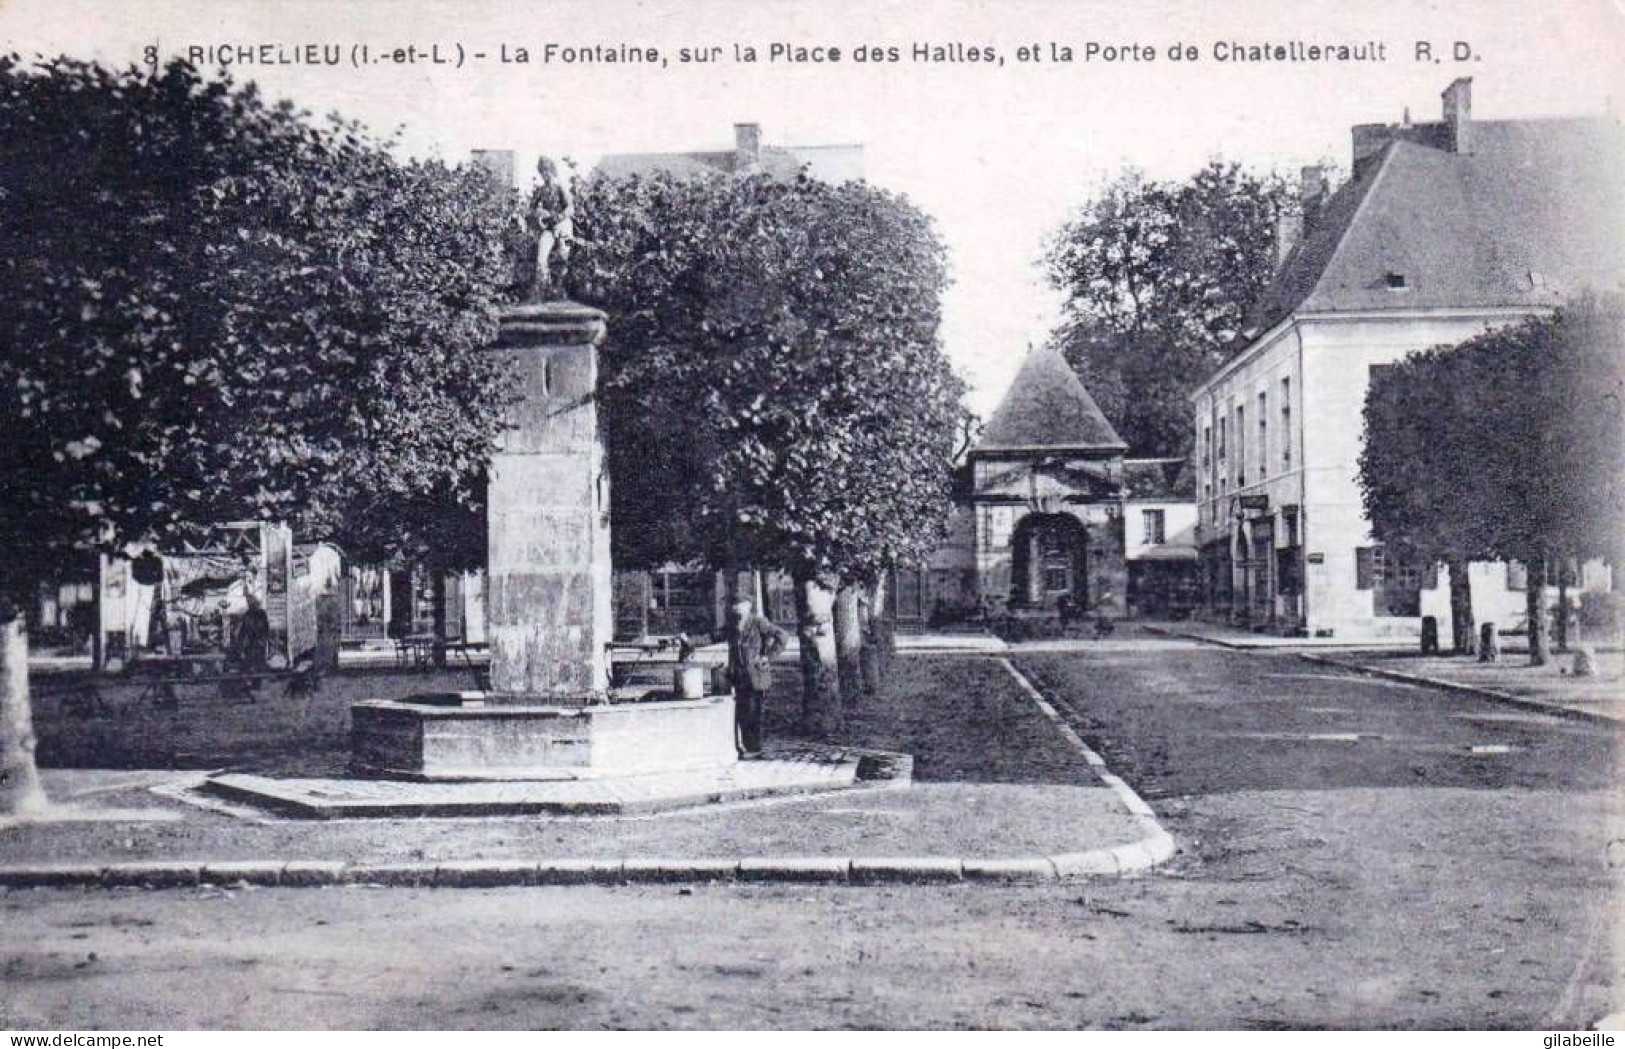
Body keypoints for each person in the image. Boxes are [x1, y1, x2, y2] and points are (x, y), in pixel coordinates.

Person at [725, 597, 788, 759]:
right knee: (742, 712)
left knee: (754, 712)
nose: (737, 608)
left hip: (755, 676)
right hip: (739, 677)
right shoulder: (732, 626)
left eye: (740, 605)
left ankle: (755, 748)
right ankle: (748, 746)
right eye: (734, 605)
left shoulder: (758, 623)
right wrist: (689, 640)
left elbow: (782, 635)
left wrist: (768, 657)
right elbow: (713, 636)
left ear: (748, 606)